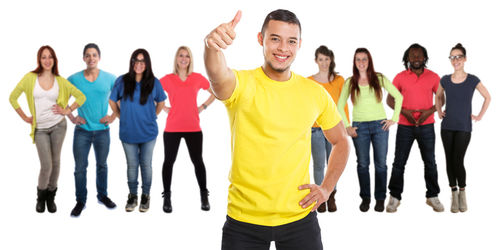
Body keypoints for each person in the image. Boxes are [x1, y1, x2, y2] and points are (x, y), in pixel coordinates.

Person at [204, 9, 349, 249]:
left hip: (300, 218)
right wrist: (211, 47)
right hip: (243, 221)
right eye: (275, 38)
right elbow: (217, 76)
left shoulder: (314, 93)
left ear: (299, 44)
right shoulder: (240, 84)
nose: (283, 48)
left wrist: (326, 188)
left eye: (291, 41)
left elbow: (341, 140)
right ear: (261, 39)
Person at [9, 45, 86, 213]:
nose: (47, 60)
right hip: (41, 129)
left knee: (56, 162)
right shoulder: (30, 78)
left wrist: (67, 110)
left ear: (54, 60)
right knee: (46, 165)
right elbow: (13, 97)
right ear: (39, 59)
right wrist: (24, 117)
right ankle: (41, 197)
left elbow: (81, 96)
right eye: (44, 57)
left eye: (50, 57)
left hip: (59, 125)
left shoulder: (60, 81)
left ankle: (51, 196)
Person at [337, 48, 403, 212]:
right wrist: (347, 126)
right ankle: (365, 198)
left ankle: (380, 198)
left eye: (364, 59)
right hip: (359, 128)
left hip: (380, 126)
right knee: (363, 164)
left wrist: (394, 118)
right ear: (354, 62)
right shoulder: (350, 81)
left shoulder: (379, 78)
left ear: (369, 60)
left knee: (381, 164)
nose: (361, 62)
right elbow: (339, 105)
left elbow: (399, 96)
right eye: (358, 59)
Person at [385, 43, 444, 213]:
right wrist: (404, 112)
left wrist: (428, 112)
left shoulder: (433, 77)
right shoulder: (400, 77)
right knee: (399, 163)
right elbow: (390, 100)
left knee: (430, 162)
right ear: (407, 58)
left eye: (419, 56)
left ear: (424, 58)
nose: (416, 59)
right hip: (405, 126)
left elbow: (441, 99)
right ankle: (394, 197)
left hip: (427, 126)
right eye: (413, 56)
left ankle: (432, 196)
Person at [159, 46, 216, 213]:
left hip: (193, 127)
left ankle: (204, 196)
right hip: (172, 127)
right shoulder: (167, 79)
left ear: (190, 60)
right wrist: (163, 107)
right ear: (176, 59)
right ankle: (167, 197)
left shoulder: (197, 78)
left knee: (198, 161)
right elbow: (152, 93)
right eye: (181, 56)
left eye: (187, 56)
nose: (184, 59)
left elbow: (215, 92)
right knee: (168, 162)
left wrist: (203, 106)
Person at [109, 49, 166, 213]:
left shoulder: (154, 82)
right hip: (128, 133)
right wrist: (120, 115)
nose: (139, 64)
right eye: (136, 60)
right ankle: (133, 195)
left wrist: (152, 115)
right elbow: (112, 101)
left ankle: (145, 196)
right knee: (132, 165)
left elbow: (161, 102)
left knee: (146, 165)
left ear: (147, 64)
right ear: (132, 62)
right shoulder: (122, 81)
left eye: (143, 61)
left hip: (148, 133)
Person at [435, 43, 490, 213]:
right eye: (452, 57)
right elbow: (438, 96)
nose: (455, 60)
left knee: (458, 160)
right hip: (447, 127)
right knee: (449, 160)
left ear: (464, 59)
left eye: (458, 57)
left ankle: (463, 192)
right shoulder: (444, 79)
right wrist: (438, 111)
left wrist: (479, 116)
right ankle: (453, 194)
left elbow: (488, 97)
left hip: (464, 127)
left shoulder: (473, 79)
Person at [67, 43, 118, 217]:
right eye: (87, 55)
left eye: (94, 55)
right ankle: (80, 201)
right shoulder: (74, 79)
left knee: (102, 165)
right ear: (83, 58)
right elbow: (61, 99)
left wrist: (112, 116)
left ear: (99, 58)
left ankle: (102, 196)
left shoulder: (110, 78)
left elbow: (121, 99)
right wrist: (72, 117)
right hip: (82, 131)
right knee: (80, 168)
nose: (91, 58)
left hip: (103, 131)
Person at [308, 45, 349, 213]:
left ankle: (331, 195)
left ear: (330, 60)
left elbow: (343, 104)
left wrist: (346, 127)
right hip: (316, 129)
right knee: (319, 165)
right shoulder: (309, 81)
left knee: (332, 164)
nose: (324, 62)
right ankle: (319, 198)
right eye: (320, 59)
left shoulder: (339, 81)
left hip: (334, 128)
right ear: (316, 61)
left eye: (326, 59)